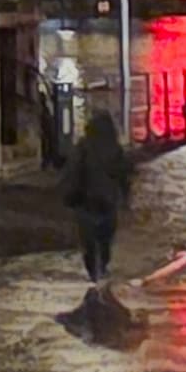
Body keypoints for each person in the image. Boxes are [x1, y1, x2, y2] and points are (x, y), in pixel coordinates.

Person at [59, 106, 132, 289]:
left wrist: (70, 195)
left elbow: (73, 172)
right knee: (105, 239)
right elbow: (123, 174)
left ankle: (94, 276)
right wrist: (125, 198)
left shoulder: (83, 146)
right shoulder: (115, 148)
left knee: (89, 242)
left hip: (86, 202)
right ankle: (103, 269)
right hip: (108, 202)